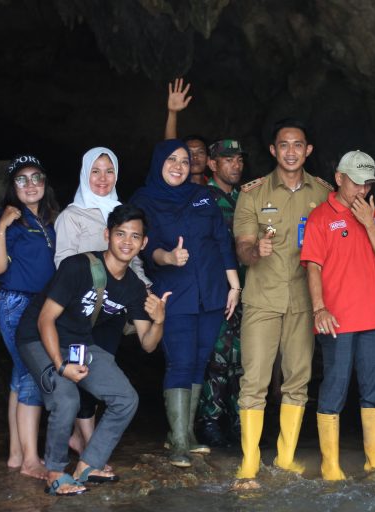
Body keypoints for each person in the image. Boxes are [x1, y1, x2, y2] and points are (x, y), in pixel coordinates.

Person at [16, 204, 169, 496]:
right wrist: (60, 365)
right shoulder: (77, 267)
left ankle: (88, 465)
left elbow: (148, 344)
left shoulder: (134, 287)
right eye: (120, 234)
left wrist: (159, 320)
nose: (127, 241)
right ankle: (55, 472)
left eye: (135, 236)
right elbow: (45, 319)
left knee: (125, 398)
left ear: (144, 243)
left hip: (78, 342)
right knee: (66, 397)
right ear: (107, 235)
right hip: (37, 338)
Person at [232, 118, 332, 489]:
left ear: (308, 150)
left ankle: (285, 457)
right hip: (263, 298)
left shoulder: (323, 193)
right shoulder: (253, 194)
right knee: (254, 380)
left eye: (298, 145)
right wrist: (254, 250)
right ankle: (249, 461)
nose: (291, 152)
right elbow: (242, 248)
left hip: (304, 299)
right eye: (284, 145)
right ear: (273, 150)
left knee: (298, 379)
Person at [131, 139, 240, 467]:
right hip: (173, 292)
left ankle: (187, 434)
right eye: (171, 160)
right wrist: (168, 257)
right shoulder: (144, 199)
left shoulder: (202, 195)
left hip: (211, 291)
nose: (178, 166)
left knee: (198, 362)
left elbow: (221, 240)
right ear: (158, 163)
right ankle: (178, 440)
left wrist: (234, 285)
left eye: (183, 160)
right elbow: (145, 245)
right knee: (180, 362)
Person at [301, 150, 375, 480]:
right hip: (337, 320)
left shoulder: (372, 213)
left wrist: (369, 223)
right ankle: (330, 465)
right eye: (356, 183)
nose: (362, 190)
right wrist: (319, 308)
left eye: (368, 184)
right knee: (334, 390)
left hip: (374, 320)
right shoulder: (320, 218)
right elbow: (313, 267)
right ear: (339, 178)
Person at [54, 147, 150, 457]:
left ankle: (80, 439)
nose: (102, 178)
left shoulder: (123, 213)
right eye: (95, 171)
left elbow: (134, 262)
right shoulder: (72, 215)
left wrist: (145, 290)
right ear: (85, 174)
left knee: (100, 373)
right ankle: (89, 444)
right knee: (82, 373)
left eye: (109, 171)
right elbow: (63, 264)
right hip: (80, 311)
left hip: (111, 312)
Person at [0, 155, 58, 479]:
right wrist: (2, 226)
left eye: (36, 177)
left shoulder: (49, 219)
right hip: (16, 302)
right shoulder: (8, 220)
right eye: (21, 179)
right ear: (12, 187)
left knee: (20, 374)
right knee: (33, 372)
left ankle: (16, 454)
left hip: (42, 305)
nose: (30, 185)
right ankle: (31, 460)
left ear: (45, 182)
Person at [196, 139, 247, 447]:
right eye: (228, 160)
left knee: (241, 358)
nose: (235, 165)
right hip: (216, 290)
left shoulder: (247, 198)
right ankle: (210, 421)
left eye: (239, 159)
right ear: (212, 164)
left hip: (247, 289)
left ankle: (240, 422)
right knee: (216, 357)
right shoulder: (202, 199)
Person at [164, 78, 209, 184]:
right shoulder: (175, 185)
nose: (195, 157)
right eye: (189, 152)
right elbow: (169, 146)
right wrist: (172, 112)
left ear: (208, 160)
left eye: (200, 152)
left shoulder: (216, 188)